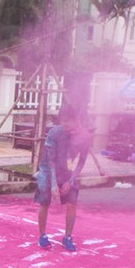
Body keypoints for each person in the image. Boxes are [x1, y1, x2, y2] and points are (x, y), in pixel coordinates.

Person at [34, 106, 90, 252]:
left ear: (76, 121)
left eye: (68, 121)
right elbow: (51, 160)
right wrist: (53, 183)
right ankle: (42, 235)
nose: (64, 124)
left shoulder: (84, 136)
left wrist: (71, 180)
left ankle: (68, 237)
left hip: (67, 171)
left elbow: (81, 161)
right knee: (44, 200)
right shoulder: (55, 133)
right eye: (63, 121)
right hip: (48, 169)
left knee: (72, 201)